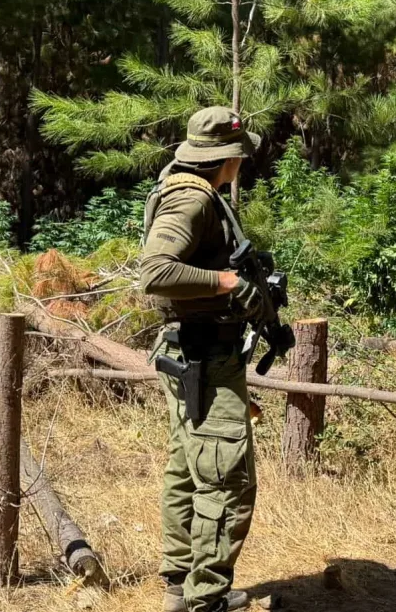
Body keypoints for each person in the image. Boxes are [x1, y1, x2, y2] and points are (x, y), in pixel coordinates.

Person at [140, 106, 264, 612]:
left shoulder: (189, 189)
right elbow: (155, 272)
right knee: (226, 479)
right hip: (203, 355)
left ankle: (181, 584)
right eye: (240, 155)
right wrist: (226, 283)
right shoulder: (192, 200)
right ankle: (206, 598)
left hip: (195, 354)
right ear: (228, 158)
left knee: (189, 468)